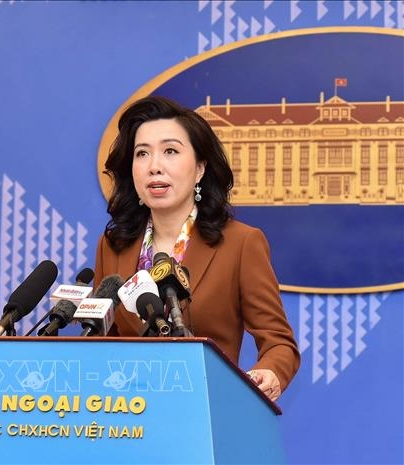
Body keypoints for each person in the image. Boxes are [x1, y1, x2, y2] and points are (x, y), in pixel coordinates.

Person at [94, 95, 300, 401]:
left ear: (200, 168)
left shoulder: (240, 243)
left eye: (170, 151)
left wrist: (269, 373)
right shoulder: (114, 245)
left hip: (208, 407)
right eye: (142, 154)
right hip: (130, 413)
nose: (154, 167)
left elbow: (279, 343)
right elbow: (101, 342)